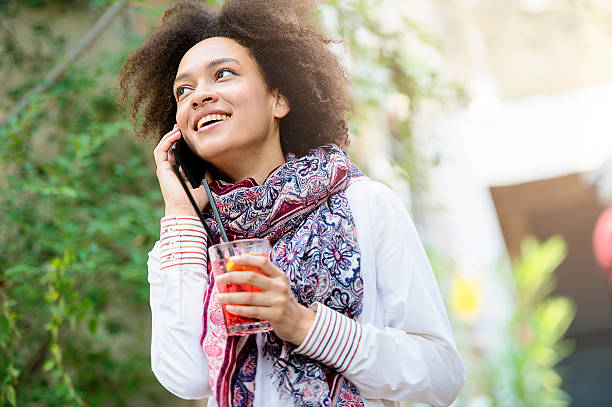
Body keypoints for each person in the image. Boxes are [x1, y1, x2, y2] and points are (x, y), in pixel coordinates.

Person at [119, 0, 465, 406]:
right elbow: (187, 377)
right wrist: (180, 215)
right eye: (183, 89)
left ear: (279, 99)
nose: (199, 96)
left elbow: (440, 375)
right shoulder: (192, 241)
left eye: (223, 74)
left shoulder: (365, 205)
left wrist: (302, 324)